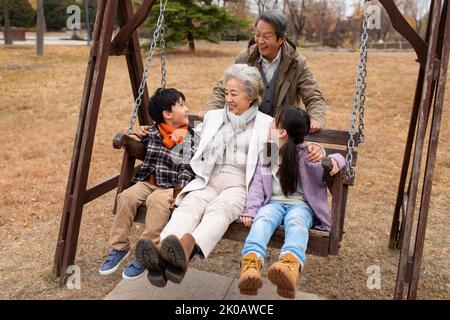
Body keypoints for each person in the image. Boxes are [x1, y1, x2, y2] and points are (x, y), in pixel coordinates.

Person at [136, 64, 327, 288]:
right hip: (209, 177)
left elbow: (287, 148)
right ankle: (161, 253)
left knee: (220, 210)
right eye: (226, 93)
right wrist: (149, 132)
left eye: (234, 94)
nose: (228, 98)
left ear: (251, 95)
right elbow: (185, 140)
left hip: (239, 184)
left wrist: (317, 149)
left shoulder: (267, 124)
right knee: (190, 205)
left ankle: (184, 252)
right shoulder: (214, 117)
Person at [237, 107, 345, 299]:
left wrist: (334, 160)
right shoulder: (269, 152)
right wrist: (252, 209)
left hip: (301, 206)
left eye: (273, 122)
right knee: (263, 218)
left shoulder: (308, 155)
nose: (269, 123)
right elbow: (257, 184)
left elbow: (339, 159)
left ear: (282, 132)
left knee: (297, 221)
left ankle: (289, 266)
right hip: (273, 204)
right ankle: (251, 264)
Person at [99, 88, 198, 281]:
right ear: (167, 114)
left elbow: (187, 167)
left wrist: (180, 192)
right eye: (182, 105)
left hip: (170, 185)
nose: (187, 109)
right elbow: (138, 140)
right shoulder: (153, 132)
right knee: (126, 197)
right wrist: (135, 136)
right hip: (147, 180)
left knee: (157, 203)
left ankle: (147, 251)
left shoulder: (189, 138)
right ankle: (119, 248)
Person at [204, 10, 327, 133]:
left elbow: (313, 96)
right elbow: (223, 88)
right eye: (257, 35)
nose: (260, 41)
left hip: (281, 132)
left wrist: (316, 118)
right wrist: (211, 111)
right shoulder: (245, 58)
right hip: (248, 130)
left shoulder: (297, 63)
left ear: (281, 39)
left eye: (266, 36)